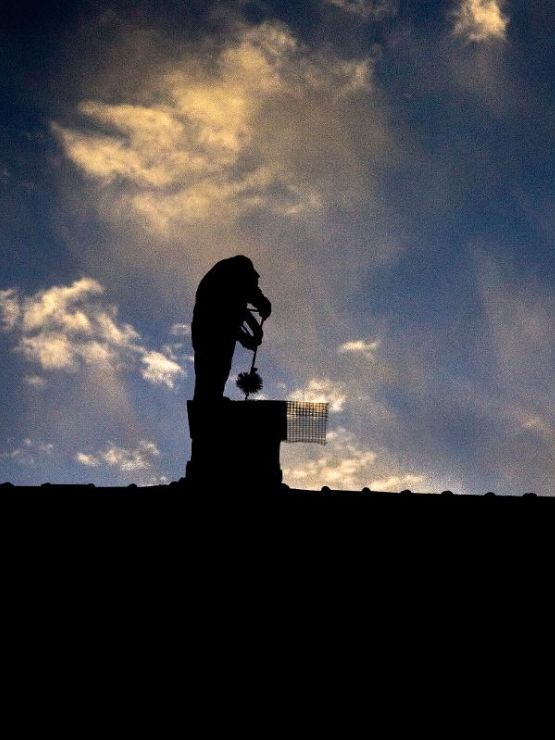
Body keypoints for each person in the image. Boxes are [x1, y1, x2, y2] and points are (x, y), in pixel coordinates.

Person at [191, 255, 271, 400]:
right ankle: (209, 401)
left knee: (212, 368)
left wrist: (253, 331)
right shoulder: (236, 272)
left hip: (204, 330)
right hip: (212, 331)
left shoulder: (225, 283)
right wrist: (262, 305)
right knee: (216, 366)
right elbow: (227, 314)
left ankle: (210, 399)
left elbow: (236, 310)